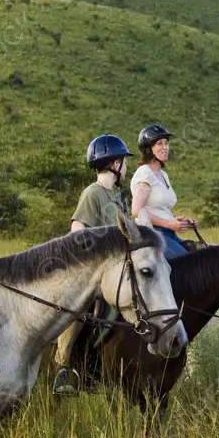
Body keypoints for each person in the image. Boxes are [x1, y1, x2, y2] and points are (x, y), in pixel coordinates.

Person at [52, 134, 132, 396]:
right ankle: (62, 368)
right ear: (114, 164)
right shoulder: (92, 193)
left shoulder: (118, 196)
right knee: (79, 307)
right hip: (94, 268)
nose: (126, 166)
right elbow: (77, 232)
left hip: (118, 267)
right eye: (123, 161)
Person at [130, 123, 197, 260]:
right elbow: (136, 211)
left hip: (168, 233)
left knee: (199, 254)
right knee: (186, 264)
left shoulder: (162, 174)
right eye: (160, 144)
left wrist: (181, 221)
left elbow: (160, 208)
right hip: (152, 234)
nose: (165, 147)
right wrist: (168, 223)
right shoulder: (145, 173)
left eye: (166, 143)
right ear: (148, 149)